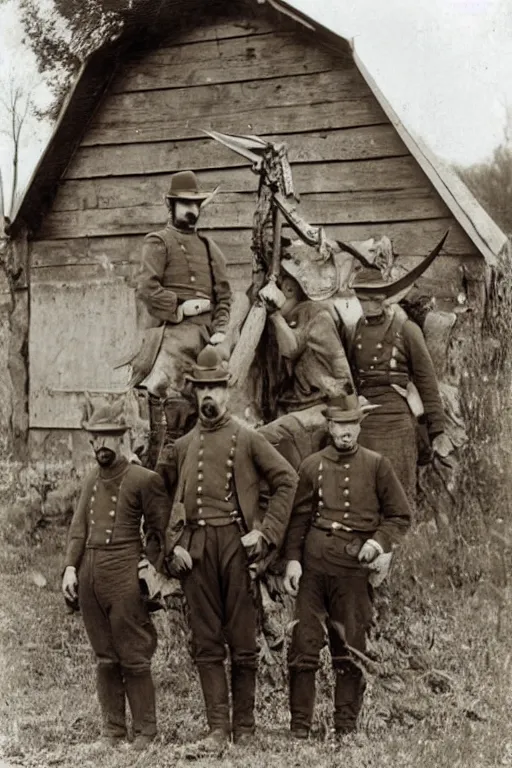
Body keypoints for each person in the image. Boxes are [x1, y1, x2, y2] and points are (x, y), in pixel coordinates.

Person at [157, 346, 298, 754]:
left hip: (237, 548)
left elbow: (287, 480)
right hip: (197, 551)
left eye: (215, 387)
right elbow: (158, 498)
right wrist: (171, 546)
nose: (209, 396)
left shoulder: (247, 438)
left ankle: (246, 728)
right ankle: (217, 728)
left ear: (227, 392)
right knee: (205, 640)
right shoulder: (183, 446)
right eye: (202, 388)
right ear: (195, 392)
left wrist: (267, 533)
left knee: (242, 640)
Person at [282, 393, 411, 738]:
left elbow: (400, 515)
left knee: (350, 649)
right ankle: (299, 729)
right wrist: (292, 561)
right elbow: (298, 520)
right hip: (314, 567)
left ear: (359, 425)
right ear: (329, 425)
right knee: (304, 645)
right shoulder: (311, 466)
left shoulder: (377, 465)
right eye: (340, 424)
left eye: (352, 424)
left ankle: (345, 728)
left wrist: (378, 542)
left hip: (354, 568)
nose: (346, 431)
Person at [61, 400, 170, 751]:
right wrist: (69, 569)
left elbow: (160, 531)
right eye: (95, 438)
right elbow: (79, 530)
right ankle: (112, 732)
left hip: (124, 569)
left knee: (133, 654)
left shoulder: (143, 479)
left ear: (122, 437)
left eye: (107, 438)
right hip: (91, 572)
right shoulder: (91, 478)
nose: (100, 446)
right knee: (105, 657)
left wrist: (151, 567)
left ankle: (146, 733)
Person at [126, 170, 232, 466]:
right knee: (162, 397)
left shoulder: (211, 248)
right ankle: (154, 467)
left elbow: (224, 295)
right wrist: (180, 309)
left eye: (197, 204)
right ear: (170, 205)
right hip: (171, 333)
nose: (193, 210)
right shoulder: (158, 241)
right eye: (186, 204)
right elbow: (147, 287)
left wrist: (221, 328)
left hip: (208, 337)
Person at [346, 270, 449, 505]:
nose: (370, 305)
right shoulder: (354, 331)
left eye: (375, 298)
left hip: (398, 417)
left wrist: (437, 430)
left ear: (385, 298)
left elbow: (426, 380)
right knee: (365, 492)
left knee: (399, 493)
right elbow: (350, 375)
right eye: (364, 299)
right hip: (366, 418)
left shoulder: (407, 330)